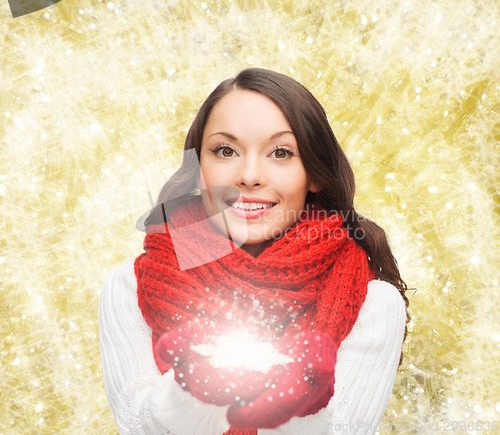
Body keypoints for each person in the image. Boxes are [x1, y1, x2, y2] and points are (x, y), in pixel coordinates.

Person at [99, 68, 409, 435]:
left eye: (280, 153)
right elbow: (138, 426)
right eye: (225, 150)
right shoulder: (130, 286)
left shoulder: (373, 304)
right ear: (199, 169)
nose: (249, 176)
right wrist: (198, 388)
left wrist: (290, 394)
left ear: (314, 175)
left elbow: (343, 430)